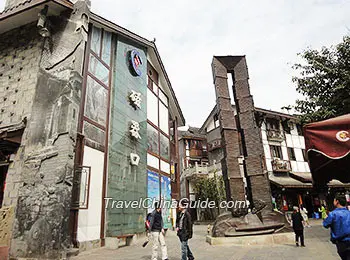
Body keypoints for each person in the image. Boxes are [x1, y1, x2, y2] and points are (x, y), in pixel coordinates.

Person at [323, 193, 350, 260]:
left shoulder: (333, 214)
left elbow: (325, 224)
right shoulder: (348, 213)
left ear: (337, 201)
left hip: (341, 242)